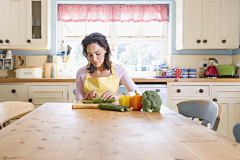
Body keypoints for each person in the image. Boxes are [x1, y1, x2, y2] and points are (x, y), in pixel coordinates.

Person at [75, 32, 140, 101]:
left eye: (98, 53)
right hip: (89, 111)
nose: (94, 59)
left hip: (112, 111)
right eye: (90, 55)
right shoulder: (81, 72)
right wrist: (86, 98)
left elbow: (137, 93)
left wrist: (118, 96)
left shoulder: (119, 69)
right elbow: (78, 102)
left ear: (105, 49)